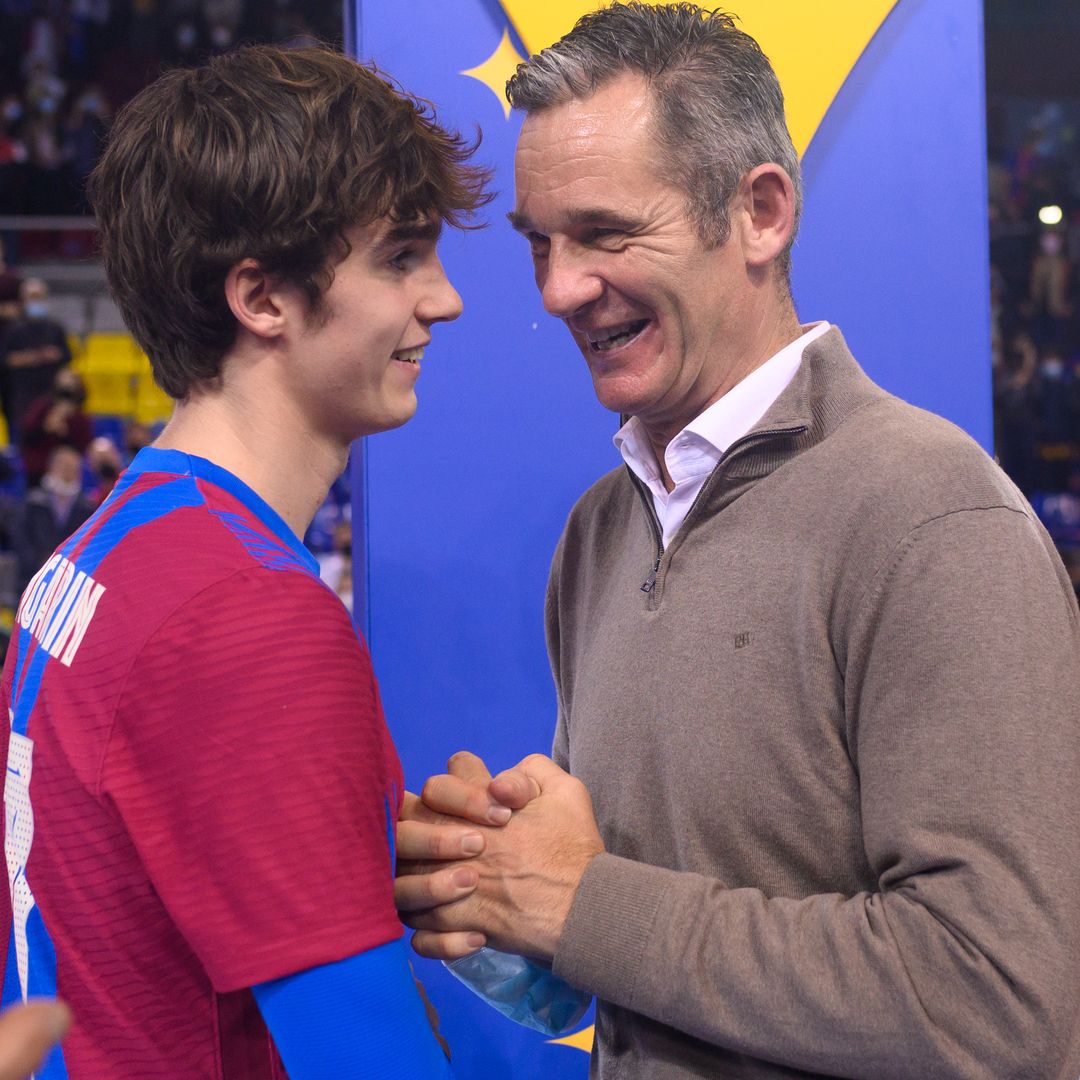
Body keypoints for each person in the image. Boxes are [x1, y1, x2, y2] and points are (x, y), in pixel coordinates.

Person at [394, 5, 1080, 1078]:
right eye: (541, 243)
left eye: (607, 234)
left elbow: (995, 1001)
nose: (559, 290)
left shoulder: (938, 524)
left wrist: (583, 902)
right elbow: (629, 968)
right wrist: (501, 899)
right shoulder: (601, 530)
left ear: (760, 213)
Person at [0, 44, 489, 1078]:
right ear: (262, 298)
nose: (442, 300)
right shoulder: (244, 617)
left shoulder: (107, 548)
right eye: (401, 257)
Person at [13, 444, 95, 596]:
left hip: (70, 584)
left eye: (73, 469)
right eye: (64, 467)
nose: (68, 473)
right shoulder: (33, 502)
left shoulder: (87, 509)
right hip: (32, 579)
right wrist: (40, 564)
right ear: (52, 467)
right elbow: (21, 538)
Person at [0, 278, 71, 444]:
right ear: (23, 300)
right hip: (21, 398)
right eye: (32, 297)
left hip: (50, 396)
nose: (36, 302)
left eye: (39, 297)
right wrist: (35, 357)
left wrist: (54, 355)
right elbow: (5, 359)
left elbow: (67, 357)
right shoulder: (13, 329)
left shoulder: (55, 328)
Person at [19, 367, 93, 486]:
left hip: (69, 467)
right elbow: (26, 436)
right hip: (39, 467)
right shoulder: (42, 408)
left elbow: (83, 447)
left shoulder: (80, 418)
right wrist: (45, 428)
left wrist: (64, 432)